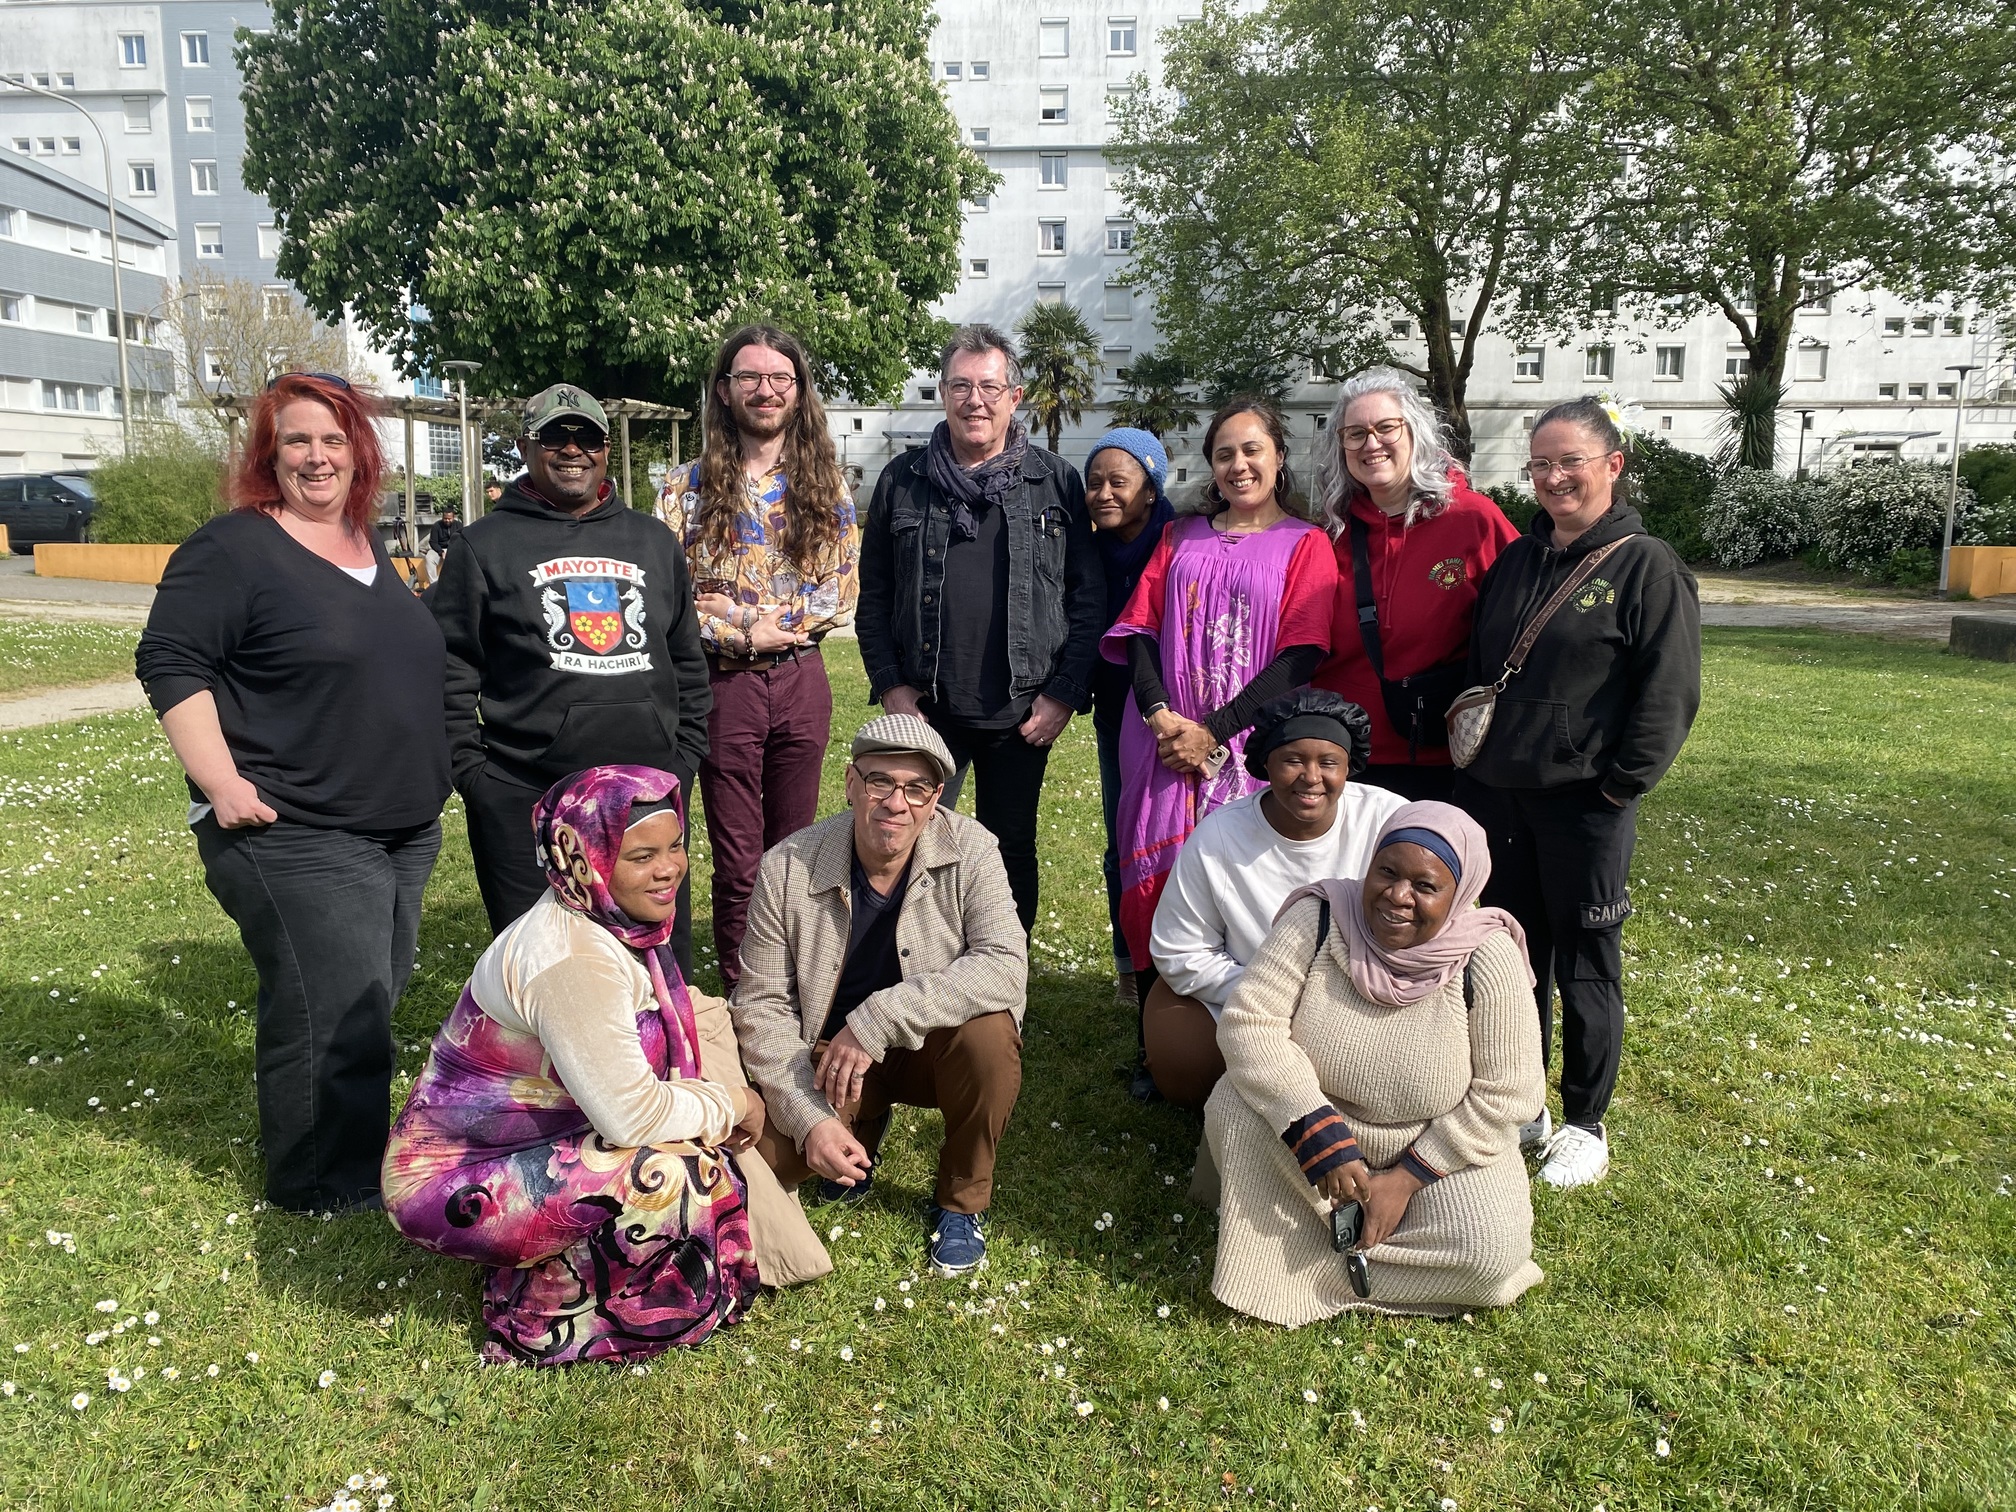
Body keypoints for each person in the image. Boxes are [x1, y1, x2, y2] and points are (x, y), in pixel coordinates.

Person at [383, 767, 828, 1367]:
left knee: (692, 1142)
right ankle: (544, 1316)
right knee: (676, 1169)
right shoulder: (571, 962)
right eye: (641, 856)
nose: (669, 869)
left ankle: (563, 1265)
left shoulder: (604, 921)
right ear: (587, 861)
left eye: (675, 846)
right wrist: (735, 1103)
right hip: (452, 1183)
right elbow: (629, 1117)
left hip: (526, 1144)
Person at [135, 372, 450, 1214]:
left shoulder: (362, 542)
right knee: (328, 1008)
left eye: (333, 439)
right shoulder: (234, 547)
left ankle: (355, 1155)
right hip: (296, 826)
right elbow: (170, 660)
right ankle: (322, 1186)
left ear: (360, 452)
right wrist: (221, 781)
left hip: (397, 826)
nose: (317, 457)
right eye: (297, 441)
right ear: (268, 456)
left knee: (368, 1000)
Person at [1459, 395, 1701, 1189]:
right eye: (1541, 464)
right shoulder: (1517, 561)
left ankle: (1585, 1122)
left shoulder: (1646, 565)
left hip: (1587, 804)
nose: (1555, 477)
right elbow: (1478, 662)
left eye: (1571, 461)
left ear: (1612, 466)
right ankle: (1522, 1100)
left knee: (1587, 962)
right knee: (1513, 958)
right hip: (1502, 797)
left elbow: (1669, 692)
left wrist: (1619, 787)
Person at [1205, 802, 1545, 1323]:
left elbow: (1511, 1093)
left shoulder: (1487, 955)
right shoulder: (1319, 917)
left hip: (1435, 1151)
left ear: (1459, 895)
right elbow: (1250, 1023)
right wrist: (1319, 1134)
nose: (1397, 896)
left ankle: (1301, 1258)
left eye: (1425, 886)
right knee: (1235, 1103)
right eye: (1387, 872)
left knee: (1489, 1254)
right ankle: (1349, 1252)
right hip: (1314, 1138)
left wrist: (1406, 1179)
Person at [732, 715, 1027, 1277]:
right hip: (830, 1060)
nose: (896, 803)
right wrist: (809, 1119)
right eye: (880, 782)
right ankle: (856, 1129)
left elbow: (1006, 965)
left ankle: (961, 1200)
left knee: (990, 1037)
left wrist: (879, 1017)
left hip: (928, 1047)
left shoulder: (972, 848)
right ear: (850, 782)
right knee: (772, 1160)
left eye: (916, 788)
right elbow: (760, 1005)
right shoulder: (786, 866)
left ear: (936, 798)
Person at [431, 384, 711, 968]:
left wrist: (682, 757)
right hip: (526, 793)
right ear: (525, 447)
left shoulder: (652, 541)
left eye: (588, 437)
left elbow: (686, 660)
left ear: (606, 449)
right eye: (555, 435)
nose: (572, 449)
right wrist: (477, 778)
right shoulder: (483, 546)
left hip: (645, 789)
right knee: (542, 969)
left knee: (654, 964)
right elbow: (450, 669)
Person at [855, 324, 1104, 934]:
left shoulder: (1055, 481)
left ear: (1014, 397)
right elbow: (874, 596)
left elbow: (1087, 599)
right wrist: (891, 686)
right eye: (961, 386)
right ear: (943, 394)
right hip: (927, 709)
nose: (975, 401)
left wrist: (1063, 694)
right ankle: (910, 966)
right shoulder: (903, 480)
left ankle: (1004, 973)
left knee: (1010, 848)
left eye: (989, 387)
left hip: (1021, 713)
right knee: (908, 846)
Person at [1100, 396, 1338, 1002]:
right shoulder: (1178, 536)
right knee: (1154, 871)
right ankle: (1157, 1024)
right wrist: (1160, 716)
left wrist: (1215, 730)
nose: (1239, 465)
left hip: (1252, 742)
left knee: (1245, 881)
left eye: (1252, 450)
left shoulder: (1307, 543)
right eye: (1225, 453)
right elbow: (1140, 629)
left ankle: (1247, 1017)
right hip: (1161, 738)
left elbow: (1302, 653)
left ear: (1278, 458)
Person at [656, 325, 858, 989]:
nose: (765, 390)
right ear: (725, 390)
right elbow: (671, 598)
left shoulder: (825, 486)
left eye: (779, 378)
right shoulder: (683, 489)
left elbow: (838, 590)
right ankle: (747, 999)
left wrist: (749, 618)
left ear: (797, 392)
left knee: (796, 853)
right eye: (749, 377)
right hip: (722, 688)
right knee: (739, 861)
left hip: (801, 681)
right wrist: (742, 634)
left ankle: (796, 991)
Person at [1144, 691, 1406, 1108]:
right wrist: (1274, 995)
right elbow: (1180, 950)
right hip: (1252, 991)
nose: (1311, 777)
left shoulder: (1388, 819)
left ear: (1349, 767)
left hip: (1363, 996)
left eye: (1329, 763)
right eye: (1293, 760)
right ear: (1265, 763)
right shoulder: (1219, 837)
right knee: (1184, 1056)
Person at [1312, 368, 1519, 803]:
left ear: (1415, 432)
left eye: (1386, 427)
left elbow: (1524, 623)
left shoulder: (1473, 519)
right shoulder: (1330, 533)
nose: (1371, 444)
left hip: (1440, 756)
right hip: (1340, 754)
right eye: (1355, 434)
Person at [1083, 427, 1177, 1061]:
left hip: (1177, 712)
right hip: (1117, 717)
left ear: (1151, 489)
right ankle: (1129, 965)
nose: (1104, 493)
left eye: (1119, 481)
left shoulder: (1183, 541)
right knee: (1125, 841)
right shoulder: (1087, 548)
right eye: (1095, 482)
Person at [424, 505, 460, 584]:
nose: (447, 520)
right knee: (429, 558)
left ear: (453, 518)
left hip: (453, 549)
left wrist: (452, 550)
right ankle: (434, 583)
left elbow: (461, 540)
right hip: (439, 549)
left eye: (449, 519)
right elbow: (433, 542)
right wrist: (441, 552)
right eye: (445, 518)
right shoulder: (436, 526)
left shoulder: (459, 526)